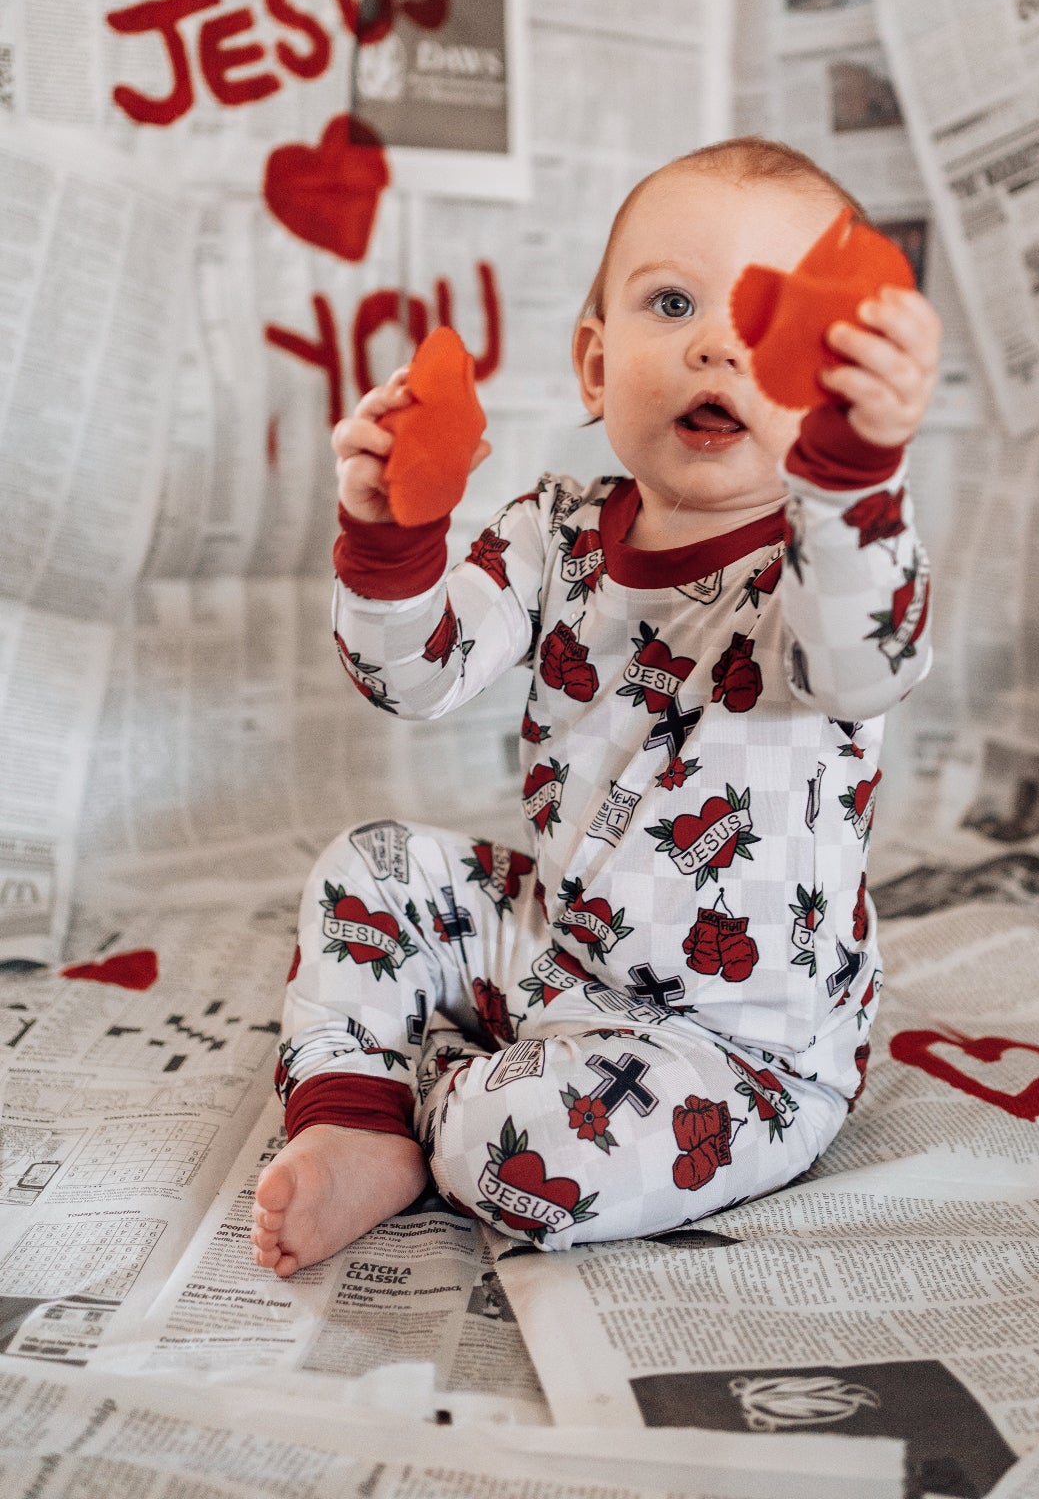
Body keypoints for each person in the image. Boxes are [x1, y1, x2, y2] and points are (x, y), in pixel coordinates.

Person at [251, 138, 940, 1275]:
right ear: (594, 362)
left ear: (833, 390)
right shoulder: (553, 527)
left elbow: (871, 658)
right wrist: (392, 531)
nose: (717, 341)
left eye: (771, 321)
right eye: (672, 301)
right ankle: (356, 1121)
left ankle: (429, 1102)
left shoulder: (822, 568)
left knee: (516, 1151)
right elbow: (412, 677)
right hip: (559, 947)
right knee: (365, 866)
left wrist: (858, 479)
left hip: (740, 1057)